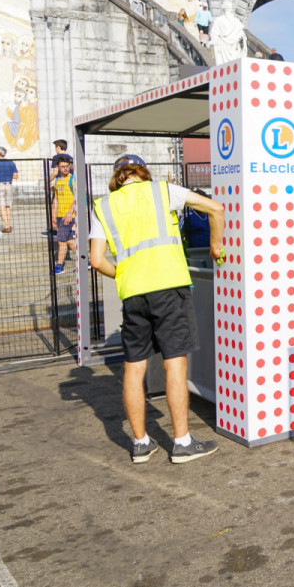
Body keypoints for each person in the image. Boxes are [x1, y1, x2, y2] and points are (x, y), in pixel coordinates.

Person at [88, 154, 224, 464]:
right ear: (142, 172)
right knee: (174, 364)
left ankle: (140, 444)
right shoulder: (164, 190)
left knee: (134, 368)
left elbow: (96, 261)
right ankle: (182, 443)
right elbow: (216, 208)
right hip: (169, 288)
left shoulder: (103, 205)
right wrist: (216, 245)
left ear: (117, 177)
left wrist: (122, 274)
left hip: (133, 295)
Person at [51, 154, 76, 273]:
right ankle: (85, 260)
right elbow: (55, 198)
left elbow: (77, 197)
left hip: (69, 215)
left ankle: (59, 266)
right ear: (58, 167)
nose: (66, 169)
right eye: (63, 167)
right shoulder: (56, 181)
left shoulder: (72, 179)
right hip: (60, 215)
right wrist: (53, 215)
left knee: (61, 241)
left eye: (67, 166)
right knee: (69, 240)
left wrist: (70, 213)